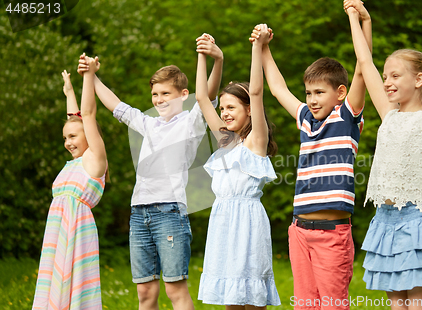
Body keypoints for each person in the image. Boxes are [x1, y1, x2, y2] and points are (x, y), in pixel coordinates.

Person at [77, 48, 223, 310]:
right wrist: (92, 75)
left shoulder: (191, 122)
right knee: (144, 292)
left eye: (166, 93)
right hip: (139, 212)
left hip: (169, 212)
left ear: (183, 95)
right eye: (155, 94)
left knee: (175, 289)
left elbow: (208, 95)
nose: (159, 99)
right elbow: (116, 105)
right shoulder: (148, 124)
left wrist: (215, 59)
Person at [253, 6, 372, 309]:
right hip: (300, 233)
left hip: (333, 236)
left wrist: (358, 20)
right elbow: (278, 88)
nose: (312, 99)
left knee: (333, 305)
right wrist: (264, 48)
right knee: (305, 305)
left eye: (319, 92)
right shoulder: (306, 118)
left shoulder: (347, 117)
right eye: (308, 93)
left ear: (341, 92)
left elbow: (364, 66)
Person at [345, 0, 422, 309]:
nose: (387, 82)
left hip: (419, 222)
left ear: (418, 79)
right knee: (396, 306)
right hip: (386, 222)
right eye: (386, 77)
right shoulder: (389, 114)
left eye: (395, 76)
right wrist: (357, 19)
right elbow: (364, 62)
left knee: (419, 306)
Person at [195, 27, 280, 309]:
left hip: (248, 221)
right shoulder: (225, 141)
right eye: (223, 109)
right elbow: (201, 98)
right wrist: (207, 57)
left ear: (248, 110)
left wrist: (257, 47)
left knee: (252, 296)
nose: (225, 113)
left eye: (232, 107)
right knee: (230, 298)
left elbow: (256, 91)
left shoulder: (256, 140)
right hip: (222, 221)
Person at [33, 60, 108, 310]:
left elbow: (86, 115)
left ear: (90, 134)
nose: (67, 142)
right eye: (65, 138)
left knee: (75, 281)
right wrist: (68, 92)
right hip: (57, 231)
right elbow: (76, 119)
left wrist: (88, 76)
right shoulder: (73, 163)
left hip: (77, 229)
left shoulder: (94, 159)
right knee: (55, 280)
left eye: (73, 137)